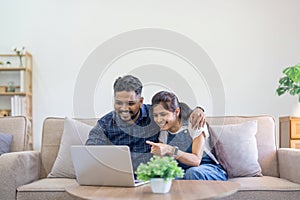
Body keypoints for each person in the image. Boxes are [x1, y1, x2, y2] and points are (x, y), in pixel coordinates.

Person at [85, 75, 206, 171]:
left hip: (148, 176)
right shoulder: (105, 123)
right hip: (117, 176)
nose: (124, 108)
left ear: (141, 101)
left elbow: (174, 112)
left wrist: (198, 110)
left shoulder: (154, 115)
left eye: (130, 103)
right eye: (118, 103)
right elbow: (89, 152)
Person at [147, 91, 228, 180]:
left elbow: (196, 161)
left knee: (193, 173)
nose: (159, 120)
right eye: (155, 115)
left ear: (177, 112)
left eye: (163, 114)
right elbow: (163, 163)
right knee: (167, 177)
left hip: (209, 170)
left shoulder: (194, 123)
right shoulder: (164, 132)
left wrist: (170, 150)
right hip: (184, 172)